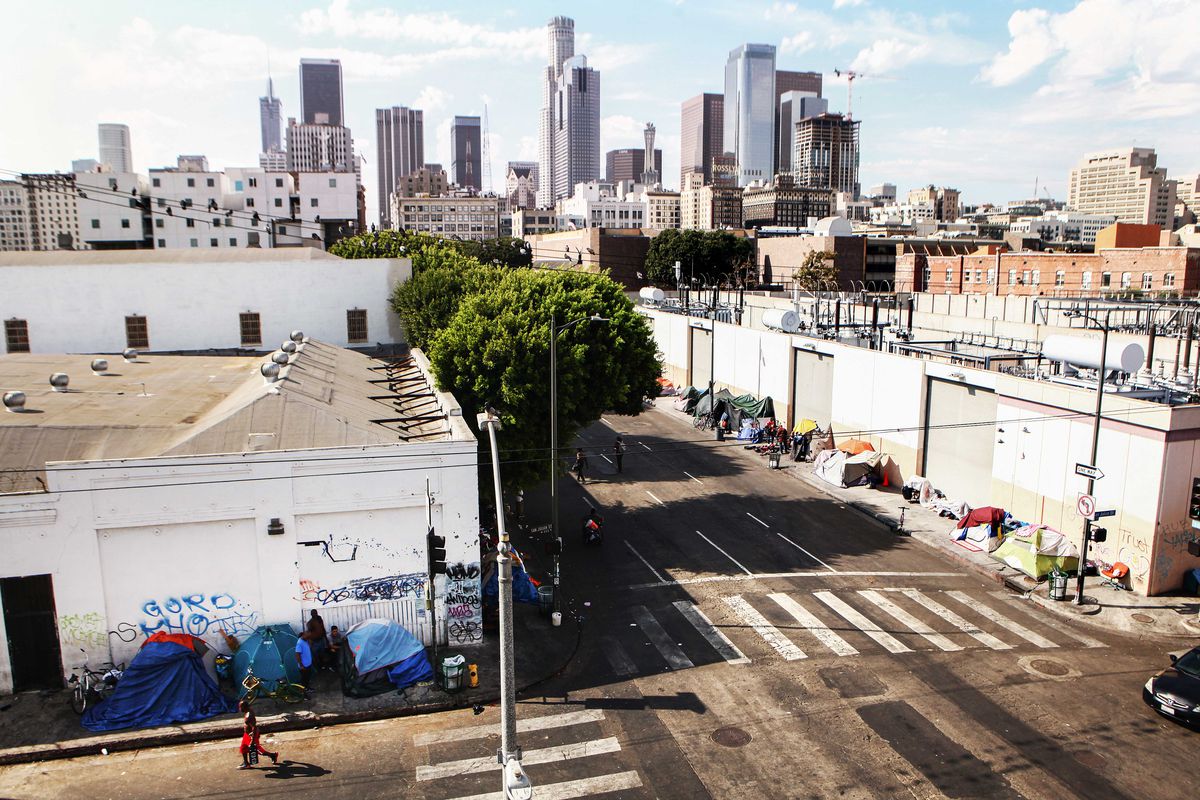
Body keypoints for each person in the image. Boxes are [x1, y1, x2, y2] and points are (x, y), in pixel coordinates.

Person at [238, 699, 278, 769]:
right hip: (247, 734)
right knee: (243, 748)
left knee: (257, 750)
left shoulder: (249, 715)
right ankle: (246, 763)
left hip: (252, 735)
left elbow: (254, 728)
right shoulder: (247, 711)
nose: (239, 709)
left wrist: (252, 740)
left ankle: (273, 755)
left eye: (241, 707)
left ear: (245, 707)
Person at [294, 631, 314, 695]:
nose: (308, 638)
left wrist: (309, 640)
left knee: (307, 678)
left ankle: (308, 688)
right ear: (303, 635)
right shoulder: (299, 643)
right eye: (307, 637)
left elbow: (309, 648)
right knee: (304, 680)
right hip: (304, 666)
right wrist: (301, 665)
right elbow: (297, 654)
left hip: (308, 664)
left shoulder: (305, 640)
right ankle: (304, 693)